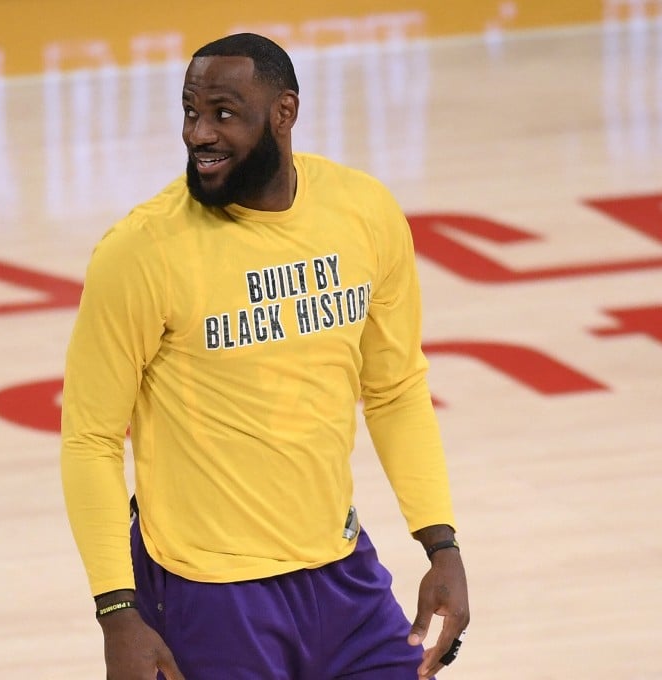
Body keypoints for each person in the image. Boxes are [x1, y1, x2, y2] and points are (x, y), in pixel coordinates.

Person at [60, 32, 469, 680]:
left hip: (340, 571)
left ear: (284, 113)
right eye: (190, 111)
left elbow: (395, 390)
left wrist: (439, 542)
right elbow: (90, 441)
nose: (199, 134)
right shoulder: (142, 251)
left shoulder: (363, 213)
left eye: (224, 113)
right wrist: (117, 612)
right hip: (207, 591)